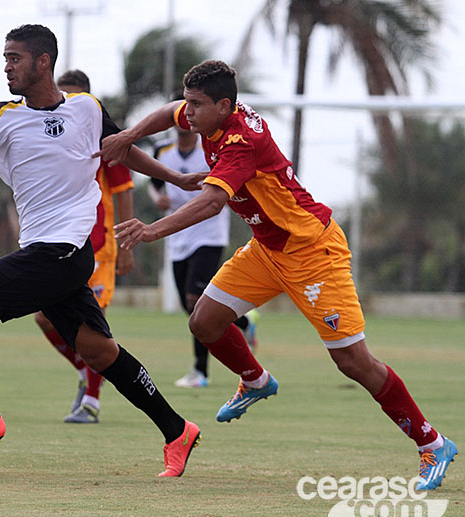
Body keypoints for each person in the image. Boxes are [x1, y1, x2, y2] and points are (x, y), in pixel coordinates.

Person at [101, 59, 456, 490]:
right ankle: (255, 380)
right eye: (188, 102)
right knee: (205, 321)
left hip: (312, 252)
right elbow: (168, 110)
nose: (187, 112)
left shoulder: (240, 140)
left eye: (196, 104)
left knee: (352, 361)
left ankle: (432, 442)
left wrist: (151, 229)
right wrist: (128, 135)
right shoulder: (210, 116)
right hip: (267, 249)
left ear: (224, 105)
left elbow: (212, 203)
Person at [0, 24, 202, 477]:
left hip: (64, 250)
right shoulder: (1, 117)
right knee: (99, 351)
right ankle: (177, 430)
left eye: (14, 58)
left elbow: (121, 150)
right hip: (52, 253)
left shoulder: (87, 109)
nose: (6, 66)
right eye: (5, 58)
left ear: (42, 62)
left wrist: (175, 180)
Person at [32, 69, 134, 424]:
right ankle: (85, 370)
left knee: (94, 325)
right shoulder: (54, 137)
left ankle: (91, 401)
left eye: (74, 98)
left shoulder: (101, 138)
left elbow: (123, 189)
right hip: (62, 246)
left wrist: (126, 244)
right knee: (44, 316)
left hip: (99, 247)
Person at [150, 125, 259, 388]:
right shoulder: (162, 150)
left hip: (209, 234)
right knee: (190, 307)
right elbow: (154, 184)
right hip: (178, 236)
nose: (184, 124)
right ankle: (243, 321)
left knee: (194, 299)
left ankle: (200, 372)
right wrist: (157, 198)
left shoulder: (210, 149)